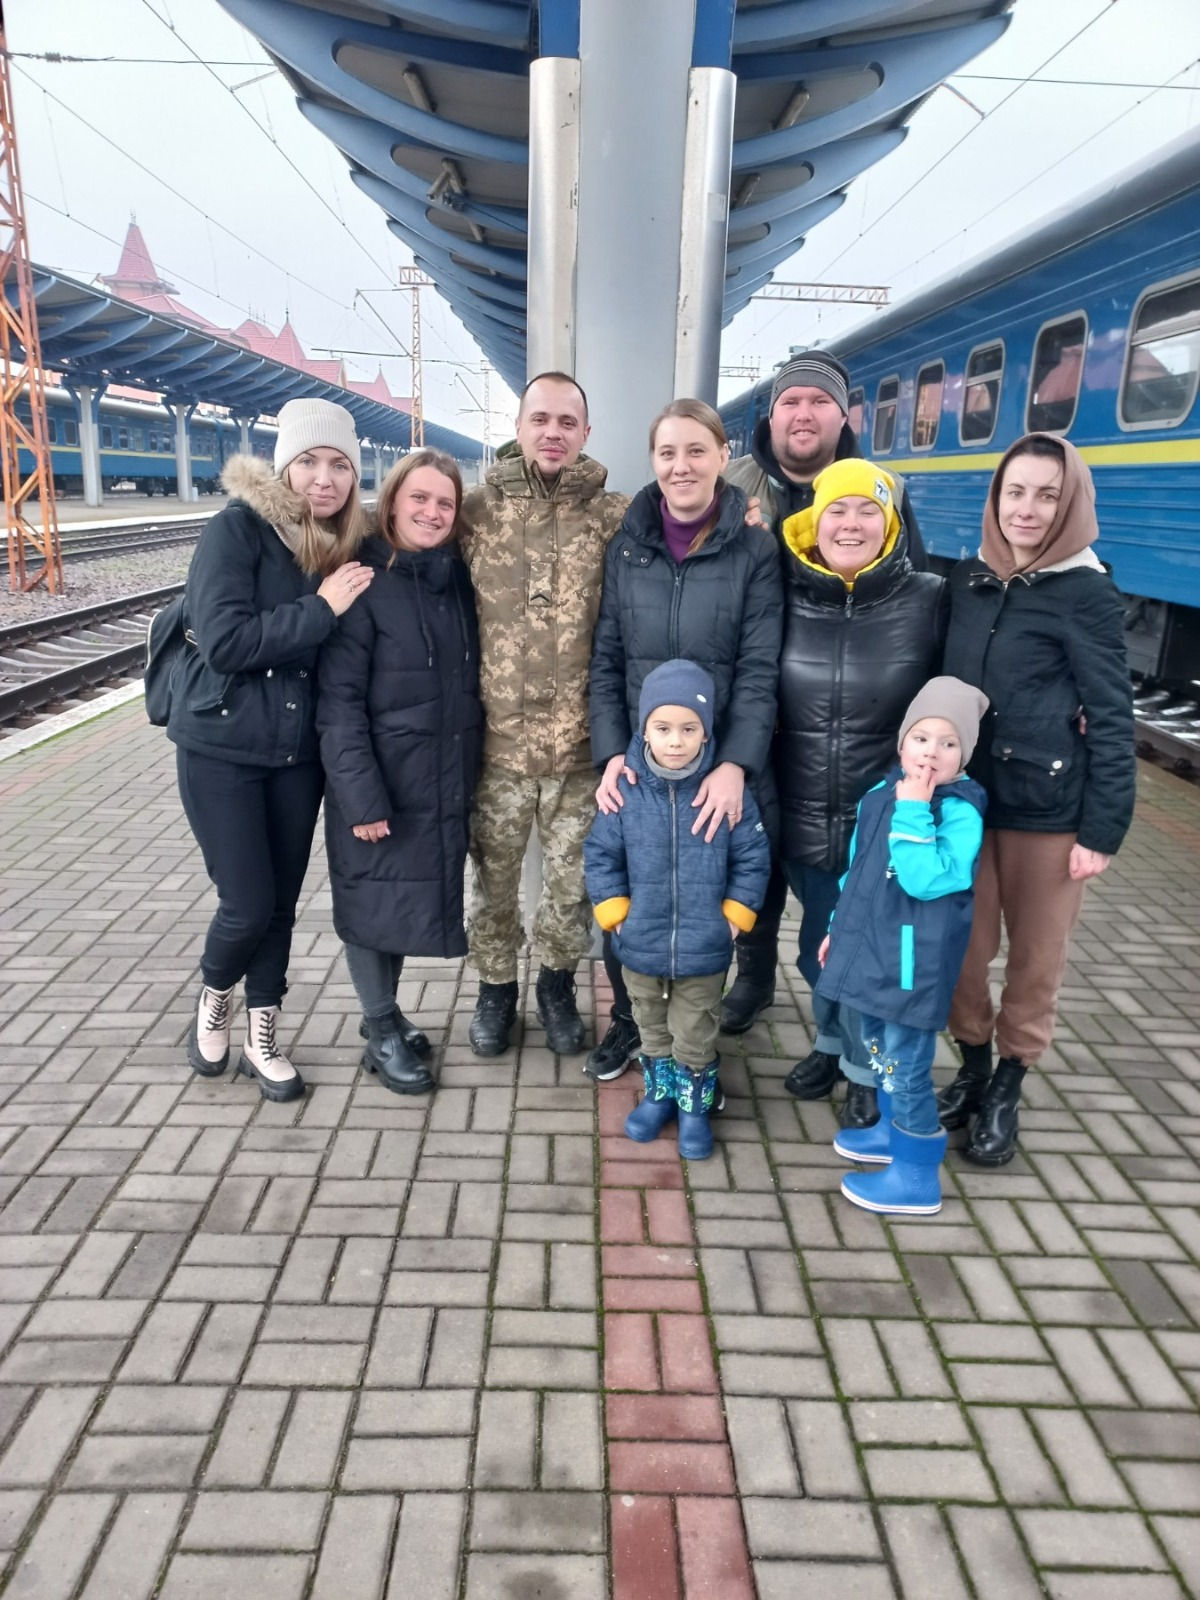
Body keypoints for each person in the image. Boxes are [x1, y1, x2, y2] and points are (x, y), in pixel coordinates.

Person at [939, 434, 1136, 1166]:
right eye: (1014, 492)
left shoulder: (1087, 593)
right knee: (961, 950)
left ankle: (1009, 1081)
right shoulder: (968, 580)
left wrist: (1103, 829)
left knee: (1035, 960)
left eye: (1046, 495)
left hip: (1048, 812)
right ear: (996, 499)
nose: (1026, 509)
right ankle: (972, 1065)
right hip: (964, 803)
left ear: (1070, 504)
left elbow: (1111, 714)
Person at [169, 398, 371, 1101]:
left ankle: (264, 1034)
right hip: (221, 748)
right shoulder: (236, 531)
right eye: (309, 462)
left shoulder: (342, 543)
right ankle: (214, 997)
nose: (324, 478)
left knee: (281, 904)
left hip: (296, 757)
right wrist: (323, 609)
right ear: (284, 467)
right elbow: (224, 644)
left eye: (339, 464)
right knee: (247, 904)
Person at [722, 349, 928, 1036]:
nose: (804, 413)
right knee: (754, 869)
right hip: (759, 714)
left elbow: (912, 594)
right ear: (771, 415)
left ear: (844, 417)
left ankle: (839, 1020)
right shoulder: (733, 486)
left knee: (830, 888)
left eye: (820, 401)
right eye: (791, 401)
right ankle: (753, 980)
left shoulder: (882, 491)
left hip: (841, 727)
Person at [589, 399, 784, 1082]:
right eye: (667, 452)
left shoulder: (754, 547)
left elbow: (759, 669)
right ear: (654, 460)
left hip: (714, 764)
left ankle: (696, 1046)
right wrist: (612, 754)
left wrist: (734, 765)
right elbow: (607, 659)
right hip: (642, 761)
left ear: (722, 455)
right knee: (633, 886)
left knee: (706, 893)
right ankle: (630, 1021)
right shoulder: (627, 545)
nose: (681, 466)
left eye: (697, 451)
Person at [460, 372, 628, 1060]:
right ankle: (495, 988)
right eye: (541, 419)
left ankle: (555, 985)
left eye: (567, 421)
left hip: (579, 751)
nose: (553, 432)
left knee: (571, 887)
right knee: (493, 883)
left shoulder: (614, 516)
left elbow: (691, 526)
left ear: (586, 432)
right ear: (519, 427)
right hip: (496, 745)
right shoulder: (474, 512)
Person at [775, 459, 946, 1127]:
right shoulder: (781, 590)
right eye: (837, 510)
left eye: (868, 510)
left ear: (891, 523)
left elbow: (960, 695)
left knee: (870, 956)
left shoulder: (929, 598)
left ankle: (865, 1069)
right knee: (816, 944)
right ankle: (828, 1043)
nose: (851, 524)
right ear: (814, 522)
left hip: (884, 821)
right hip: (801, 809)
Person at [317, 450, 482, 1096]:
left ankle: (384, 1017)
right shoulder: (361, 580)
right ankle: (380, 1028)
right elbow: (338, 703)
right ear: (391, 502)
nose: (431, 513)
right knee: (369, 900)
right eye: (419, 498)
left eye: (445, 503)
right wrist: (361, 797)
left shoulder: (454, 575)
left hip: (435, 778)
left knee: (399, 902)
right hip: (379, 781)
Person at [584, 661, 771, 1159]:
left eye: (689, 729)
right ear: (644, 729)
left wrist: (735, 916)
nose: (675, 741)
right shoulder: (624, 788)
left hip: (705, 945)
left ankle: (694, 1105)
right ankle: (659, 1094)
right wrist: (614, 911)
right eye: (663, 728)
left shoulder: (725, 791)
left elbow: (752, 857)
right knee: (649, 1023)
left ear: (706, 732)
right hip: (639, 942)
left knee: (696, 1028)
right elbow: (601, 853)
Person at [817, 678, 988, 1215]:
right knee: (876, 1045)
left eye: (948, 743)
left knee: (907, 1066)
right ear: (902, 742)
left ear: (965, 754)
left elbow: (926, 880)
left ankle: (916, 1178)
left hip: (912, 965)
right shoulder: (881, 794)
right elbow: (858, 874)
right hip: (869, 951)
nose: (931, 753)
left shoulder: (958, 811)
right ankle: (891, 1134)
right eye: (921, 738)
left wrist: (915, 810)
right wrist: (836, 929)